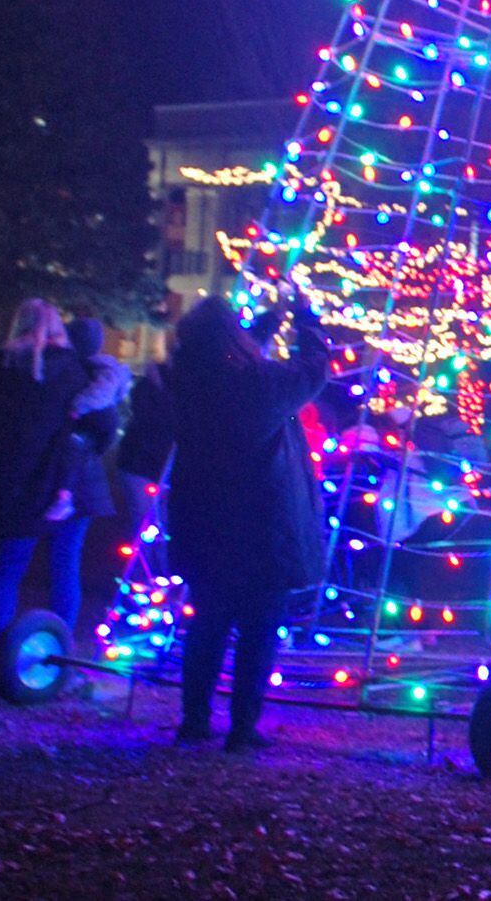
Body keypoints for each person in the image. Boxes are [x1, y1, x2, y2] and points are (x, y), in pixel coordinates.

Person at [170, 293, 329, 751]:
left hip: (204, 523)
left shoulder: (189, 380)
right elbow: (312, 371)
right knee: (259, 631)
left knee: (208, 625)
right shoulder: (256, 384)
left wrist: (265, 324)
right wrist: (305, 320)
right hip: (261, 526)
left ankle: (194, 719)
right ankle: (243, 728)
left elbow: (233, 360)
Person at [0, 300, 91, 635]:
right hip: (45, 481)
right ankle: (35, 659)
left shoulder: (1, 363)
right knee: (44, 567)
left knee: (4, 571)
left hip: (4, 478)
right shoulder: (69, 370)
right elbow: (85, 429)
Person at [41, 318, 130, 632]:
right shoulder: (102, 380)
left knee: (32, 558)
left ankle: (50, 637)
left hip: (57, 479)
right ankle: (59, 636)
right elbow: (107, 431)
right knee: (66, 560)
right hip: (85, 484)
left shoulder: (67, 375)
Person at [116, 357, 174, 568]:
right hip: (143, 464)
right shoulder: (153, 387)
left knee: (152, 528)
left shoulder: (153, 384)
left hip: (146, 464)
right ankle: (148, 580)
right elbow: (153, 420)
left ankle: (150, 580)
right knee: (148, 527)